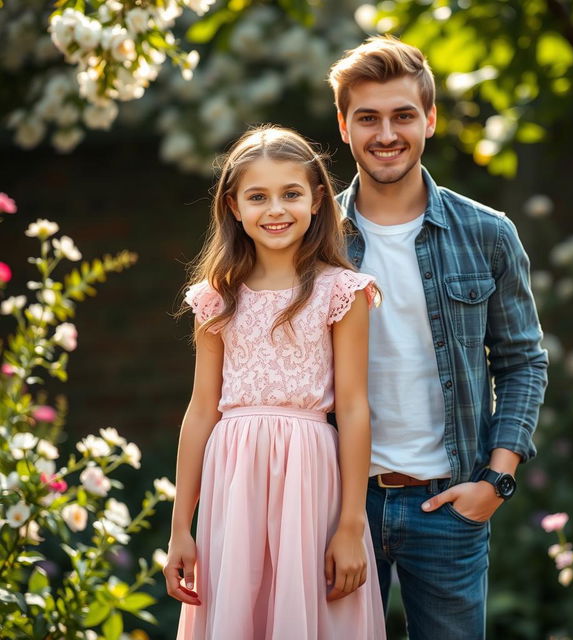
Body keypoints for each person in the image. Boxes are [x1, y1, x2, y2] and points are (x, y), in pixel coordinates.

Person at [327, 36, 548, 640]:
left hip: (449, 504)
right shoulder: (312, 242)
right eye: (367, 118)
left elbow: (523, 361)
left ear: (428, 119)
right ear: (344, 126)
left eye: (402, 115)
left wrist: (496, 481)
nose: (386, 134)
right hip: (336, 508)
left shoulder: (487, 233)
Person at [163, 125, 386, 639]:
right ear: (234, 207)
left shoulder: (342, 292)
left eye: (291, 194)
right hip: (233, 479)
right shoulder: (216, 298)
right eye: (258, 196)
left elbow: (353, 409)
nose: (276, 209)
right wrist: (181, 528)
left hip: (310, 477)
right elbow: (201, 410)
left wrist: (351, 524)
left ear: (317, 200)